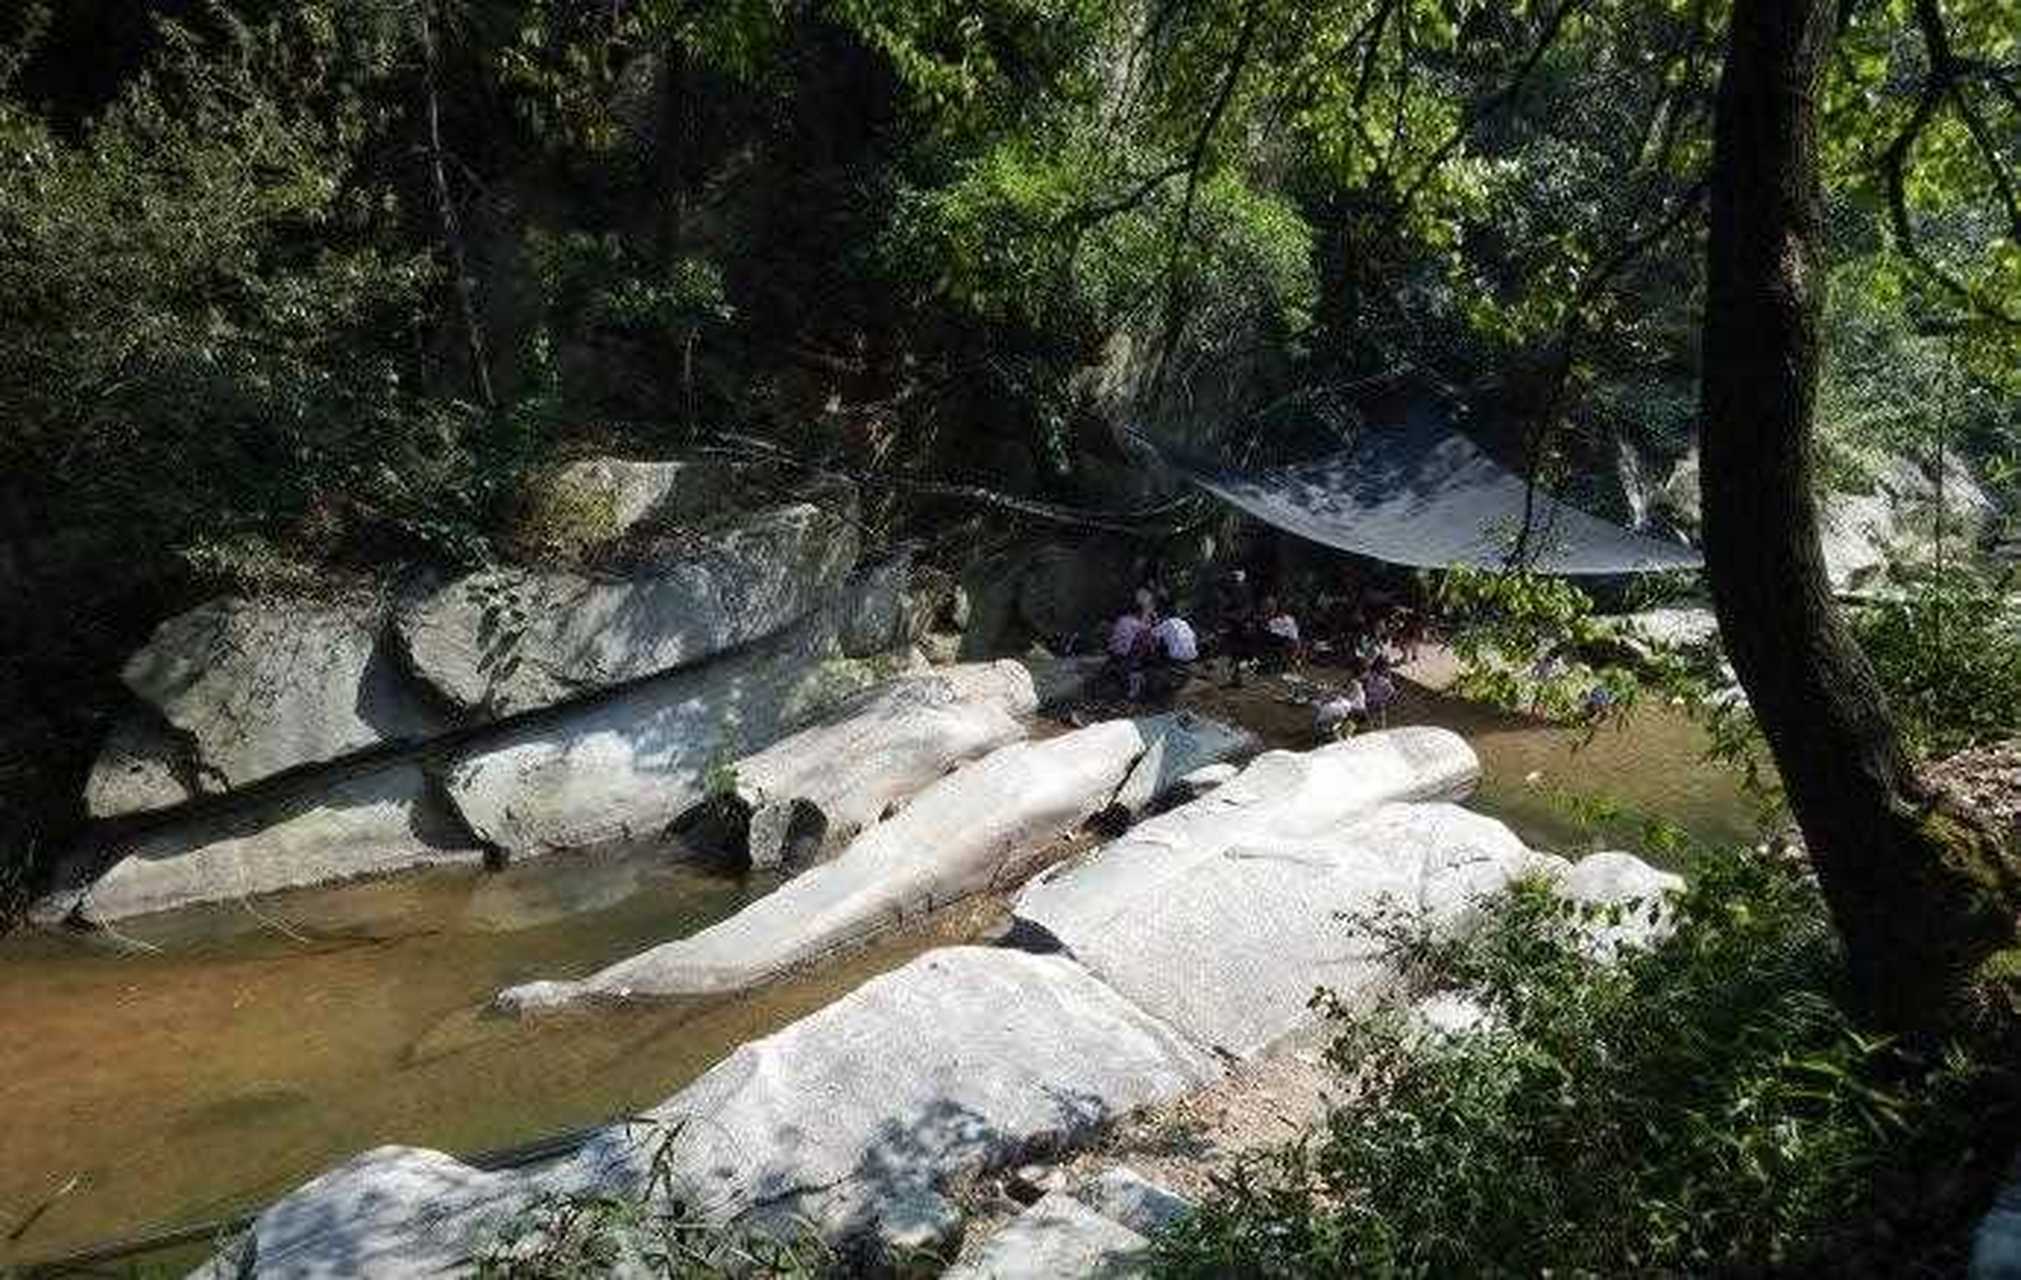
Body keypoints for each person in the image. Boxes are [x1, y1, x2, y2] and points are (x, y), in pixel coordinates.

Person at [1143, 609, 1199, 700]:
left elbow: (1152, 636)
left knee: (1154, 654)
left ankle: (1158, 686)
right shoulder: (1184, 623)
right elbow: (1194, 637)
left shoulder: (1166, 624)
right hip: (1192, 655)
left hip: (1176, 657)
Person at [1259, 596, 1303, 671]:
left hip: (1287, 641)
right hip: (1277, 641)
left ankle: (1292, 660)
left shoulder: (1288, 619)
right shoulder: (1271, 620)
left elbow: (1293, 635)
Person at [1363, 656, 1397, 729]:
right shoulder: (1384, 681)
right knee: (1379, 720)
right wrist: (1385, 699)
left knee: (1372, 718)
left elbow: (1364, 687)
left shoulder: (1369, 676)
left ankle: (1372, 727)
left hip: (1370, 701)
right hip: (1378, 702)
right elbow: (1392, 693)